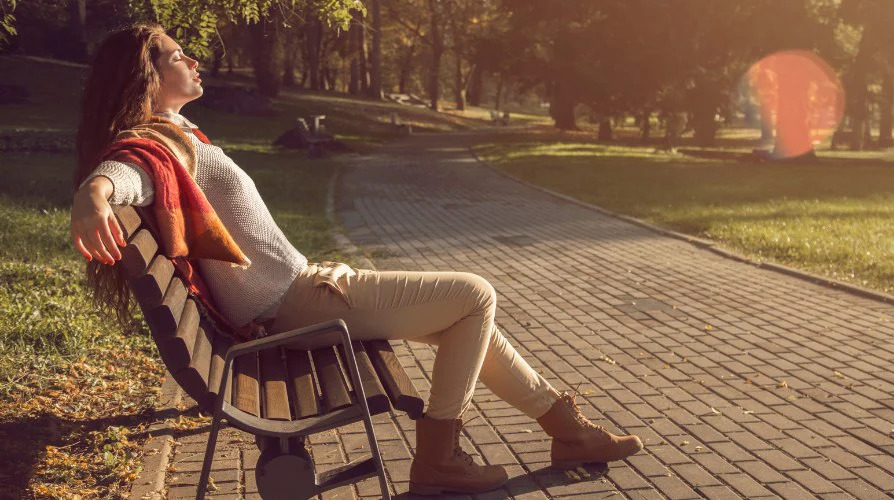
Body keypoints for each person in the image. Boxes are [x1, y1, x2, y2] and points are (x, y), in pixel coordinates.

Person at [70, 24, 642, 495]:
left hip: (300, 291)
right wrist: (93, 194)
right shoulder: (158, 144)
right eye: (177, 55)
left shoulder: (178, 133)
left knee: (467, 318)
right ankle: (440, 461)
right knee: (474, 295)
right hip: (293, 305)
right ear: (148, 77)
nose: (194, 60)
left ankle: (567, 432)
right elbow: (126, 171)